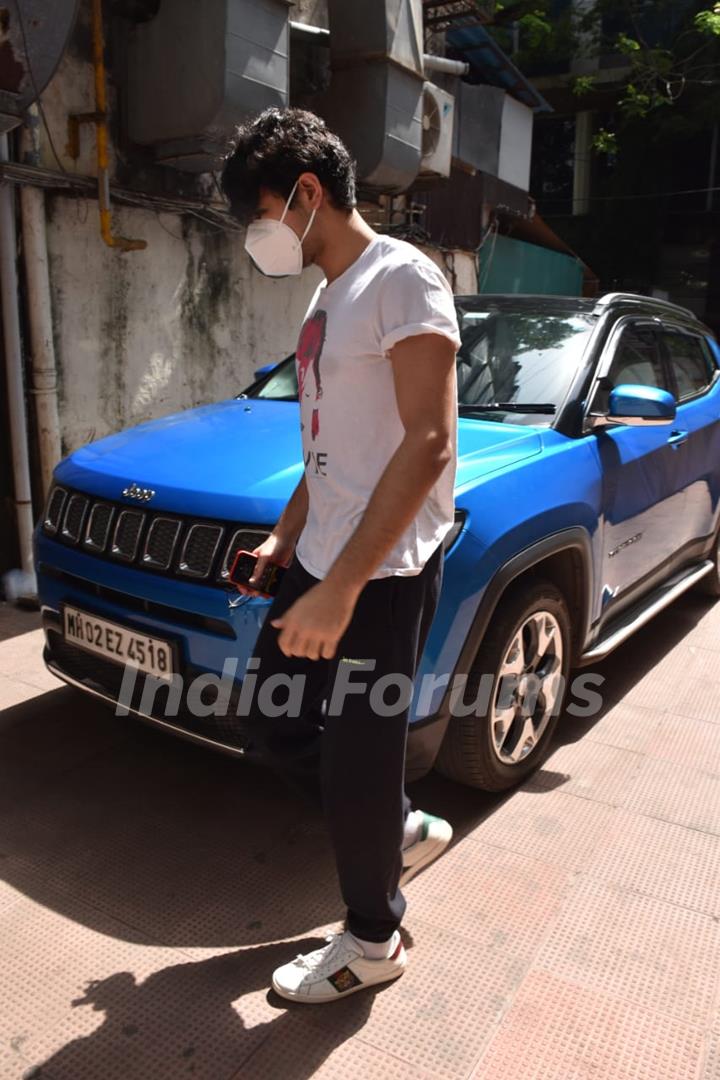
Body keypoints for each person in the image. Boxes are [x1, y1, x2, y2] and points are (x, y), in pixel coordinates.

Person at [221, 107, 460, 1004]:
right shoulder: (330, 296)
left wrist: (344, 588)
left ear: (307, 195)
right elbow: (330, 446)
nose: (258, 236)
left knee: (361, 755)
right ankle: (390, 825)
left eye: (262, 212)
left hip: (382, 574)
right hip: (323, 557)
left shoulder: (405, 281)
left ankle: (372, 939)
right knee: (275, 720)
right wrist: (287, 537)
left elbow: (429, 441)